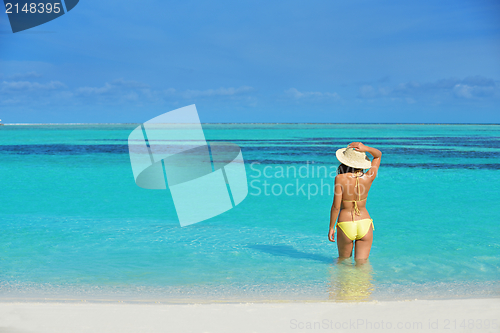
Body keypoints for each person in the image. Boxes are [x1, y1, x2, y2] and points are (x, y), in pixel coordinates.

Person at [328, 142, 382, 259]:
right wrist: (366, 148)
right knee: (362, 266)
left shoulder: (340, 178)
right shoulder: (369, 176)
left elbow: (336, 206)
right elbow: (378, 155)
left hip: (345, 223)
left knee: (343, 263)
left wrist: (331, 227)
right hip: (364, 223)